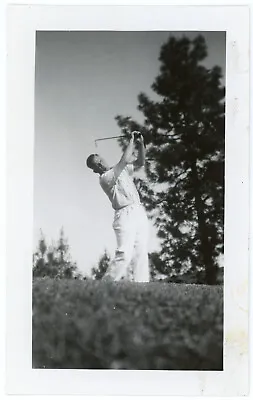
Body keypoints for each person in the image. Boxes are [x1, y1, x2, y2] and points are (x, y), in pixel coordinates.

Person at [86, 132, 150, 282]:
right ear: (96, 170)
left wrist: (141, 145)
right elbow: (124, 160)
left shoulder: (121, 170)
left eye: (100, 160)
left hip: (138, 210)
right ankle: (106, 284)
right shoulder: (105, 178)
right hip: (124, 215)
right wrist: (132, 141)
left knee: (141, 250)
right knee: (125, 254)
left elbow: (140, 162)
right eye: (97, 164)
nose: (101, 163)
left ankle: (142, 285)